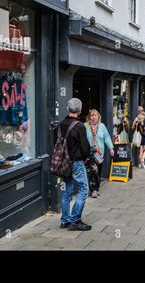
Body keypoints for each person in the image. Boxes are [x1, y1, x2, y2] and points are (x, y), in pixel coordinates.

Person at [58, 98, 91, 231]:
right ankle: (75, 219)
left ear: (68, 108)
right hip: (76, 162)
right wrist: (87, 157)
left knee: (67, 190)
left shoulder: (61, 124)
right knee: (84, 189)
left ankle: (64, 220)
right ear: (80, 110)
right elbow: (85, 147)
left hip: (64, 162)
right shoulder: (79, 126)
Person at [84, 109, 115, 198]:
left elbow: (107, 138)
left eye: (95, 115)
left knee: (98, 171)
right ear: (89, 117)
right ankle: (93, 189)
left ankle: (96, 188)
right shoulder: (85, 126)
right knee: (93, 170)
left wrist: (111, 148)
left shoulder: (102, 126)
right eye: (92, 115)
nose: (93, 117)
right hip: (89, 153)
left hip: (99, 153)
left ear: (98, 117)